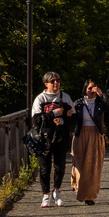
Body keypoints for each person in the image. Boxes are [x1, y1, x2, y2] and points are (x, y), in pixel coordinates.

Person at [30, 72, 75, 208]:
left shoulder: (65, 97)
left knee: (60, 166)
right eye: (52, 81)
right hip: (44, 139)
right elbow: (36, 120)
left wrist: (62, 120)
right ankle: (45, 195)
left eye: (58, 80)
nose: (56, 83)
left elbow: (73, 117)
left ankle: (57, 191)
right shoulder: (40, 99)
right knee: (44, 168)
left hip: (61, 137)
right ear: (46, 84)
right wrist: (55, 113)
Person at [70, 78, 109, 205]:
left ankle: (88, 195)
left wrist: (101, 94)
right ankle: (79, 187)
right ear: (85, 89)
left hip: (95, 134)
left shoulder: (100, 103)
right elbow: (71, 119)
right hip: (80, 133)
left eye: (94, 88)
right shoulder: (78, 103)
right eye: (90, 88)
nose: (92, 91)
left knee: (92, 166)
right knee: (79, 163)